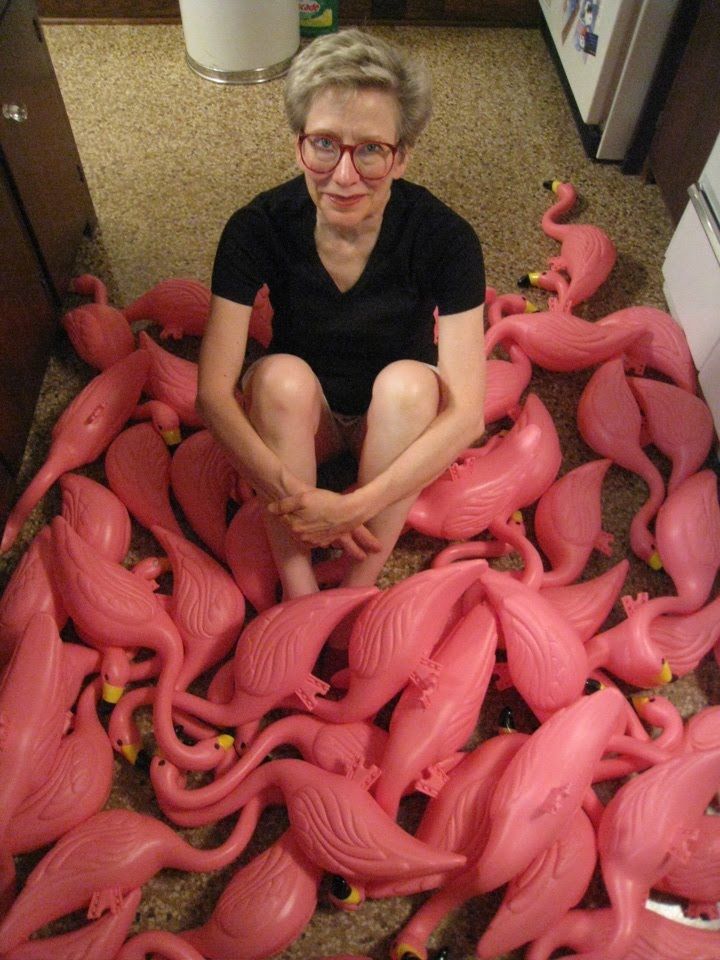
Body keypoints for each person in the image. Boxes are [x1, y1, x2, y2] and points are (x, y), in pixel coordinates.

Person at [196, 28, 486, 600]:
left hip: (396, 419)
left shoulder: (447, 238)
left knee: (409, 387)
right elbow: (211, 393)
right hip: (306, 416)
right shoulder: (256, 225)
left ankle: (356, 589)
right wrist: (295, 498)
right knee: (279, 377)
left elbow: (468, 415)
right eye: (325, 143)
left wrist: (351, 509)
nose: (344, 176)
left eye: (372, 150)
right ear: (296, 144)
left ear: (401, 156)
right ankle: (301, 595)